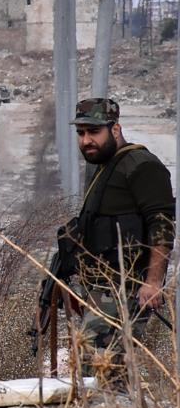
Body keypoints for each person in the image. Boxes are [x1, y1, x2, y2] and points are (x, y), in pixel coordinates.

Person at [69, 98, 174, 387]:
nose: (86, 141)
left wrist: (153, 282)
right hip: (102, 291)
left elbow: (161, 226)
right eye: (81, 134)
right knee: (97, 373)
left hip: (125, 291)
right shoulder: (105, 167)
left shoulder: (141, 165)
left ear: (115, 129)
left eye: (94, 132)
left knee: (105, 377)